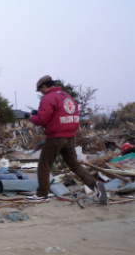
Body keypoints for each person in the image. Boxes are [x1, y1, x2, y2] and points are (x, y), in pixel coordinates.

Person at [27, 75, 107, 205]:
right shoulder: (67, 97)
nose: (41, 92)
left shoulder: (48, 98)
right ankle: (95, 185)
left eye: (40, 90)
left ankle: (42, 195)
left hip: (55, 137)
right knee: (75, 165)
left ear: (44, 86)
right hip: (70, 136)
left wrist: (32, 118)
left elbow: (42, 120)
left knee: (44, 166)